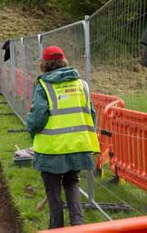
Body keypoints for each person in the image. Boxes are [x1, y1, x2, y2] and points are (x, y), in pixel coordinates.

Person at [26, 46, 100, 229]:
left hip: (52, 149)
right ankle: (78, 227)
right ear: (63, 61)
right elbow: (91, 114)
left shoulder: (43, 85)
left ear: (44, 63)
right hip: (78, 146)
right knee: (72, 184)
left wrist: (31, 130)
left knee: (53, 193)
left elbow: (37, 117)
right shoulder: (81, 84)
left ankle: (57, 229)